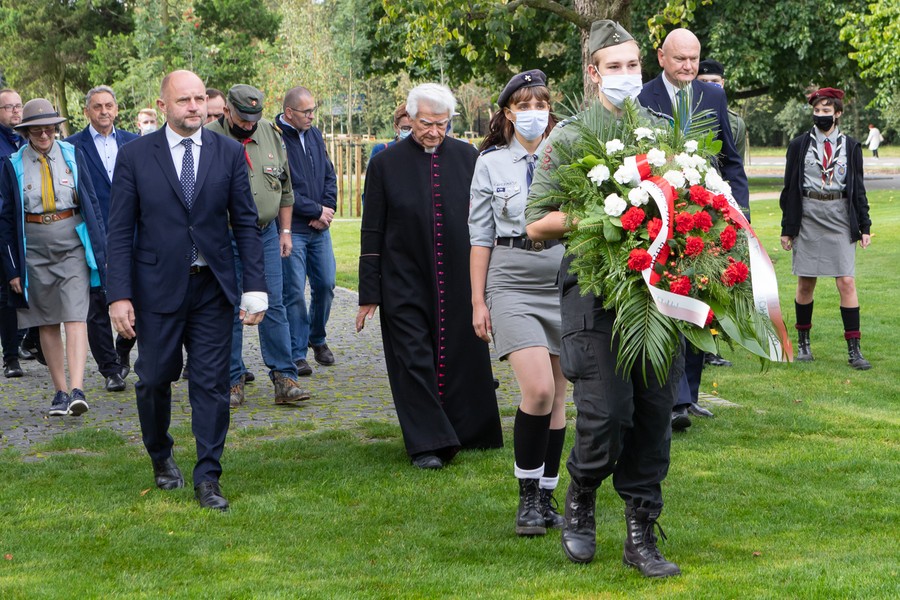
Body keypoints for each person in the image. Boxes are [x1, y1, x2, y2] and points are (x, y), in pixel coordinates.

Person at [525, 20, 682, 577]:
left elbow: (688, 198)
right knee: (608, 414)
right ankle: (582, 492)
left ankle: (640, 534)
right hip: (594, 293)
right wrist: (609, 213)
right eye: (613, 67)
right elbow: (535, 223)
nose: (625, 75)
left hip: (656, 294)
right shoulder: (568, 137)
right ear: (593, 73)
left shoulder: (663, 130)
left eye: (633, 65)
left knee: (655, 416)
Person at [106, 70, 268, 511]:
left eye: (199, 98)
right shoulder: (136, 156)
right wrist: (118, 295)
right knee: (155, 378)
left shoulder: (230, 153)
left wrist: (255, 286)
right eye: (184, 100)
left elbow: (247, 225)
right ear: (163, 106)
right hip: (156, 290)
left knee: (212, 384)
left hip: (213, 288)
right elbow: (119, 231)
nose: (194, 107)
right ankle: (161, 455)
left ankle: (208, 476)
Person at [356, 83, 503, 470]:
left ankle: (468, 431)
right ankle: (426, 443)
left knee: (461, 353)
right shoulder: (385, 163)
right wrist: (369, 292)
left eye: (442, 124)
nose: (434, 132)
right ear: (408, 117)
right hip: (402, 277)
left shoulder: (467, 156)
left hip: (458, 274)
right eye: (425, 123)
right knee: (412, 359)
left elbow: (486, 220)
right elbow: (371, 231)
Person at [468, 69, 567, 536]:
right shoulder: (489, 162)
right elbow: (480, 237)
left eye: (540, 104)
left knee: (561, 396)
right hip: (511, 280)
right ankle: (526, 498)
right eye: (523, 105)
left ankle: (547, 497)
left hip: (564, 280)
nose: (533, 113)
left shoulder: (567, 155)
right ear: (507, 113)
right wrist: (478, 301)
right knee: (539, 391)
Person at [639, 29, 750, 429]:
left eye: (694, 59)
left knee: (701, 305)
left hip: (707, 218)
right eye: (680, 59)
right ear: (662, 58)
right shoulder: (641, 96)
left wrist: (741, 212)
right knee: (667, 303)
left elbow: (731, 160)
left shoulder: (713, 96)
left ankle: (688, 396)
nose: (689, 67)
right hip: (660, 217)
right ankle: (673, 399)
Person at [0, 98, 107, 416]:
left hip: (72, 243)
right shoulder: (13, 164)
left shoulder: (74, 154)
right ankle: (60, 391)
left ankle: (78, 389)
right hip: (32, 248)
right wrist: (12, 269)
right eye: (37, 130)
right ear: (26, 132)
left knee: (75, 315)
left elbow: (91, 203)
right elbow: (5, 219)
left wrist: (102, 251)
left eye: (49, 128)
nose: (44, 135)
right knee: (45, 320)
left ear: (56, 128)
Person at [206, 84, 309, 407]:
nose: (249, 124)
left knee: (274, 303)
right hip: (226, 237)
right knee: (231, 307)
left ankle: (284, 377)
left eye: (255, 117)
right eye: (243, 117)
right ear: (227, 111)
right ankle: (232, 381)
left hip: (265, 233)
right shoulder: (208, 138)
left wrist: (286, 231)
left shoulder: (269, 133)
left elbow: (284, 186)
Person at [779, 87, 872, 370]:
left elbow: (858, 189)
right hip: (809, 215)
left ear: (838, 114)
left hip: (840, 216)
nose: (821, 116)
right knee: (806, 281)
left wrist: (865, 225)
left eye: (826, 111)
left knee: (846, 281)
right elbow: (789, 189)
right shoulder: (798, 145)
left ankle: (854, 350)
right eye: (817, 111)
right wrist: (788, 227)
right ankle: (804, 343)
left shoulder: (852, 147)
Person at [66, 85, 139, 392]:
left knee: (136, 296)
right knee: (96, 301)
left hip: (133, 231)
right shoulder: (72, 147)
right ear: (87, 112)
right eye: (97, 106)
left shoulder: (134, 143)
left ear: (117, 109)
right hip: (91, 232)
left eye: (109, 105)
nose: (104, 111)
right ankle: (109, 368)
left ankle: (123, 349)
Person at [276, 86, 338, 375]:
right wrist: (314, 211)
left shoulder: (313, 133)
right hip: (294, 229)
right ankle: (297, 353)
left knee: (326, 284)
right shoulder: (275, 137)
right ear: (289, 112)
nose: (312, 115)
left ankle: (317, 337)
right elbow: (279, 187)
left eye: (314, 109)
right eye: (307, 111)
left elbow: (329, 173)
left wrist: (327, 209)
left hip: (319, 228)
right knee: (295, 293)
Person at [0, 88, 25, 378]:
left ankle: (27, 341)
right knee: (7, 291)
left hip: (25, 225)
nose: (15, 112)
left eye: (18, 106)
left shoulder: (24, 140)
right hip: (4, 224)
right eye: (9, 108)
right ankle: (10, 357)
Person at [697, 59, 747, 163]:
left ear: (722, 83)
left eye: (715, 81)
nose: (709, 86)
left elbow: (737, 165)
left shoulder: (736, 123)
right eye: (703, 81)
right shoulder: (683, 117)